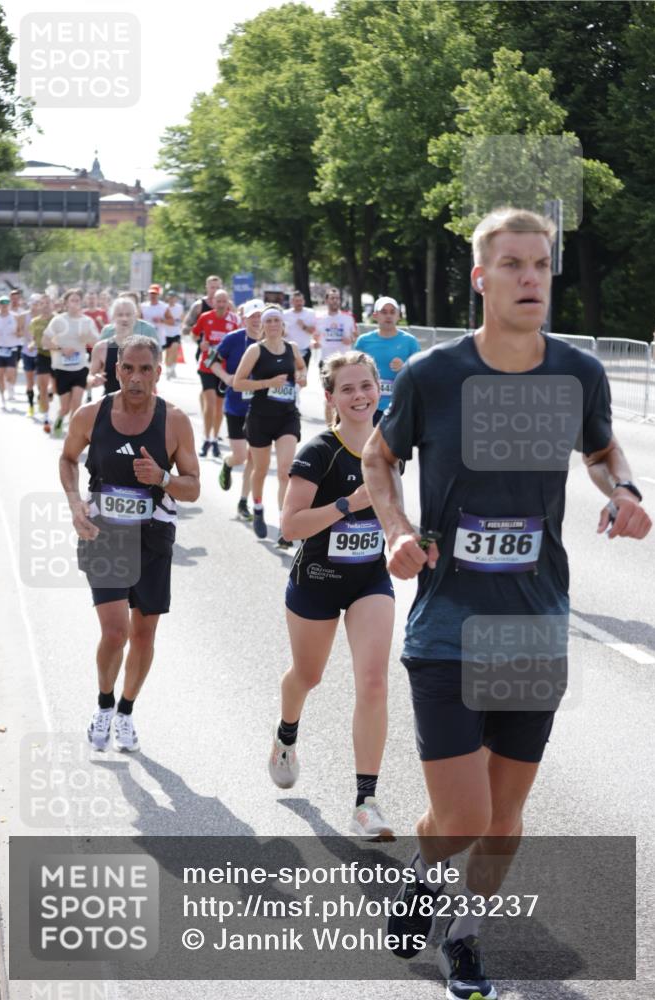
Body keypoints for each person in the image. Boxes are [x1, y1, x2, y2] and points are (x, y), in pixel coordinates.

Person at [362, 207, 652, 1000]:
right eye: (514, 264)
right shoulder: (433, 373)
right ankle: (425, 874)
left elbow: (598, 449)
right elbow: (377, 456)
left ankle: (464, 932)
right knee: (458, 817)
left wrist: (621, 488)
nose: (531, 279)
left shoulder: (576, 373)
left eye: (542, 265)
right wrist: (395, 529)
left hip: (531, 623)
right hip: (448, 622)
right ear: (480, 278)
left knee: (501, 815)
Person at [269, 350, 395, 838]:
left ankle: (366, 801)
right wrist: (348, 503)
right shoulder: (318, 452)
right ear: (331, 397)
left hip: (369, 580)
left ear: (378, 388)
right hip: (316, 581)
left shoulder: (390, 445)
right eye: (348, 388)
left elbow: (394, 505)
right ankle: (286, 735)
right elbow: (289, 526)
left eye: (366, 385)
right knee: (308, 675)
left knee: (374, 682)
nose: (360, 395)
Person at [60, 335, 200, 752]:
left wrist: (162, 478)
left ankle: (125, 711)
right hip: (104, 535)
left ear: (158, 372)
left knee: (143, 635)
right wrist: (74, 504)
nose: (135, 378)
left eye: (145, 370)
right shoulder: (91, 414)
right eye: (127, 368)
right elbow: (67, 458)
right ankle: (104, 704)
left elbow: (192, 488)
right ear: (115, 370)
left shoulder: (174, 421)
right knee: (115, 632)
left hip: (152, 537)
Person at [233, 305, 307, 544]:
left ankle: (285, 526)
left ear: (283, 324)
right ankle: (257, 507)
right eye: (269, 321)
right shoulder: (255, 350)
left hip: (287, 416)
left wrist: (303, 376)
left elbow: (301, 367)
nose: (273, 324)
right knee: (261, 469)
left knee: (286, 470)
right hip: (261, 418)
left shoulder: (292, 348)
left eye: (277, 320)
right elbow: (238, 383)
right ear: (263, 326)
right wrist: (268, 383)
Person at [209, 298, 266, 521]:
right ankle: (228, 462)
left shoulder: (271, 342)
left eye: (260, 316)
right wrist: (227, 377)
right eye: (253, 316)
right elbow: (212, 362)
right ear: (244, 319)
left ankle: (243, 502)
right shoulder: (233, 339)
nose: (257, 321)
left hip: (261, 407)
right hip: (235, 405)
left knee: (254, 457)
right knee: (241, 456)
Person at [42, 288, 99, 436]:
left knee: (77, 403)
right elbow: (45, 341)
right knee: (65, 407)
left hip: (80, 367)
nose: (75, 303)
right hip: (62, 369)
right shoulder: (59, 320)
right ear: (66, 303)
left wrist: (87, 338)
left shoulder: (87, 321)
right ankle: (60, 419)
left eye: (78, 300)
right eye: (72, 300)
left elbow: (97, 343)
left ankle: (73, 435)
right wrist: (61, 349)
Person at [355, 296, 420, 424]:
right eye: (384, 312)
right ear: (375, 315)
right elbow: (352, 371)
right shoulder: (363, 341)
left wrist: (405, 366)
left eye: (392, 312)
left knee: (397, 444)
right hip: (369, 405)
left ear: (398, 316)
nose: (388, 316)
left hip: (400, 404)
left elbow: (420, 372)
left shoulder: (410, 341)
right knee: (368, 443)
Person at [192, 288, 240, 458]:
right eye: (218, 301)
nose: (220, 304)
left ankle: (214, 438)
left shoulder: (234, 321)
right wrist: (201, 344)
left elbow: (240, 340)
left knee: (219, 407)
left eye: (224, 301)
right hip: (207, 364)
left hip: (225, 369)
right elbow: (195, 334)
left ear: (228, 303)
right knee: (210, 403)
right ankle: (205, 438)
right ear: (213, 302)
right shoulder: (205, 317)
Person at [89, 298, 160, 395]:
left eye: (128, 314)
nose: (124, 319)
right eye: (120, 315)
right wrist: (94, 379)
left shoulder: (147, 346)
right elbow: (90, 377)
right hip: (111, 404)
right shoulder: (101, 347)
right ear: (113, 317)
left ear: (135, 316)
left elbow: (155, 375)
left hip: (142, 403)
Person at [313, 287, 356, 424]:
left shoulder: (348, 317)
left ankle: (344, 424)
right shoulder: (320, 318)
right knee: (329, 397)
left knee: (345, 395)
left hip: (345, 362)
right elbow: (315, 337)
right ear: (326, 300)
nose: (335, 301)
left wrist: (351, 339)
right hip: (326, 362)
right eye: (332, 298)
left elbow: (356, 336)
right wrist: (315, 343)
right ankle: (330, 429)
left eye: (337, 298)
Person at [0, 295, 24, 408]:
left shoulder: (16, 317)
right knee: (0, 375)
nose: (4, 306)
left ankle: (10, 387)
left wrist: (18, 333)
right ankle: (2, 398)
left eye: (6, 304)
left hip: (12, 347)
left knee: (10, 372)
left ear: (9, 305)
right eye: (2, 304)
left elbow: (21, 332)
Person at [28, 292, 56, 431]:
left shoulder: (58, 319)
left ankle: (51, 392)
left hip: (57, 356)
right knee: (42, 387)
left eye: (48, 303)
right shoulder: (34, 322)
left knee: (55, 388)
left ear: (52, 304)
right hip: (41, 355)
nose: (45, 306)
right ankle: (46, 417)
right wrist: (32, 344)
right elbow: (33, 338)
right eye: (42, 304)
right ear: (39, 306)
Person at [283, 291, 316, 370]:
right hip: (289, 351)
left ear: (304, 301)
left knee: (303, 376)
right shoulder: (285, 314)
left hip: (305, 350)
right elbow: (282, 333)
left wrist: (303, 326)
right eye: (296, 301)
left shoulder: (310, 313)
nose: (299, 303)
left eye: (301, 301)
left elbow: (313, 331)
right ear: (291, 302)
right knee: (291, 376)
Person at [21, 294, 42, 416]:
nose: (35, 306)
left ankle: (41, 401)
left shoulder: (43, 318)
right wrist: (30, 341)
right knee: (30, 381)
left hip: (40, 353)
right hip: (27, 352)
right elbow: (24, 332)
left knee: (41, 380)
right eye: (33, 303)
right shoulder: (25, 316)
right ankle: (30, 406)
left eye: (37, 303)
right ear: (30, 304)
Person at [140, 284, 174, 350]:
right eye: (151, 293)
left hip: (158, 337)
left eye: (155, 293)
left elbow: (172, 321)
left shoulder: (164, 307)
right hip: (145, 337)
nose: (153, 295)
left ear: (158, 294)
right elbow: (138, 320)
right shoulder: (143, 306)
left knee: (157, 359)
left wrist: (161, 320)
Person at [163, 290, 184, 378]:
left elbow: (182, 317)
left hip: (176, 332)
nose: (172, 299)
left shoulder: (179, 307)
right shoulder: (164, 307)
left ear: (176, 298)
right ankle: (168, 369)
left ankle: (172, 368)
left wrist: (180, 323)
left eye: (173, 297)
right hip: (166, 333)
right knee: (168, 352)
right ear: (168, 298)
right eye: (170, 297)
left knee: (174, 350)